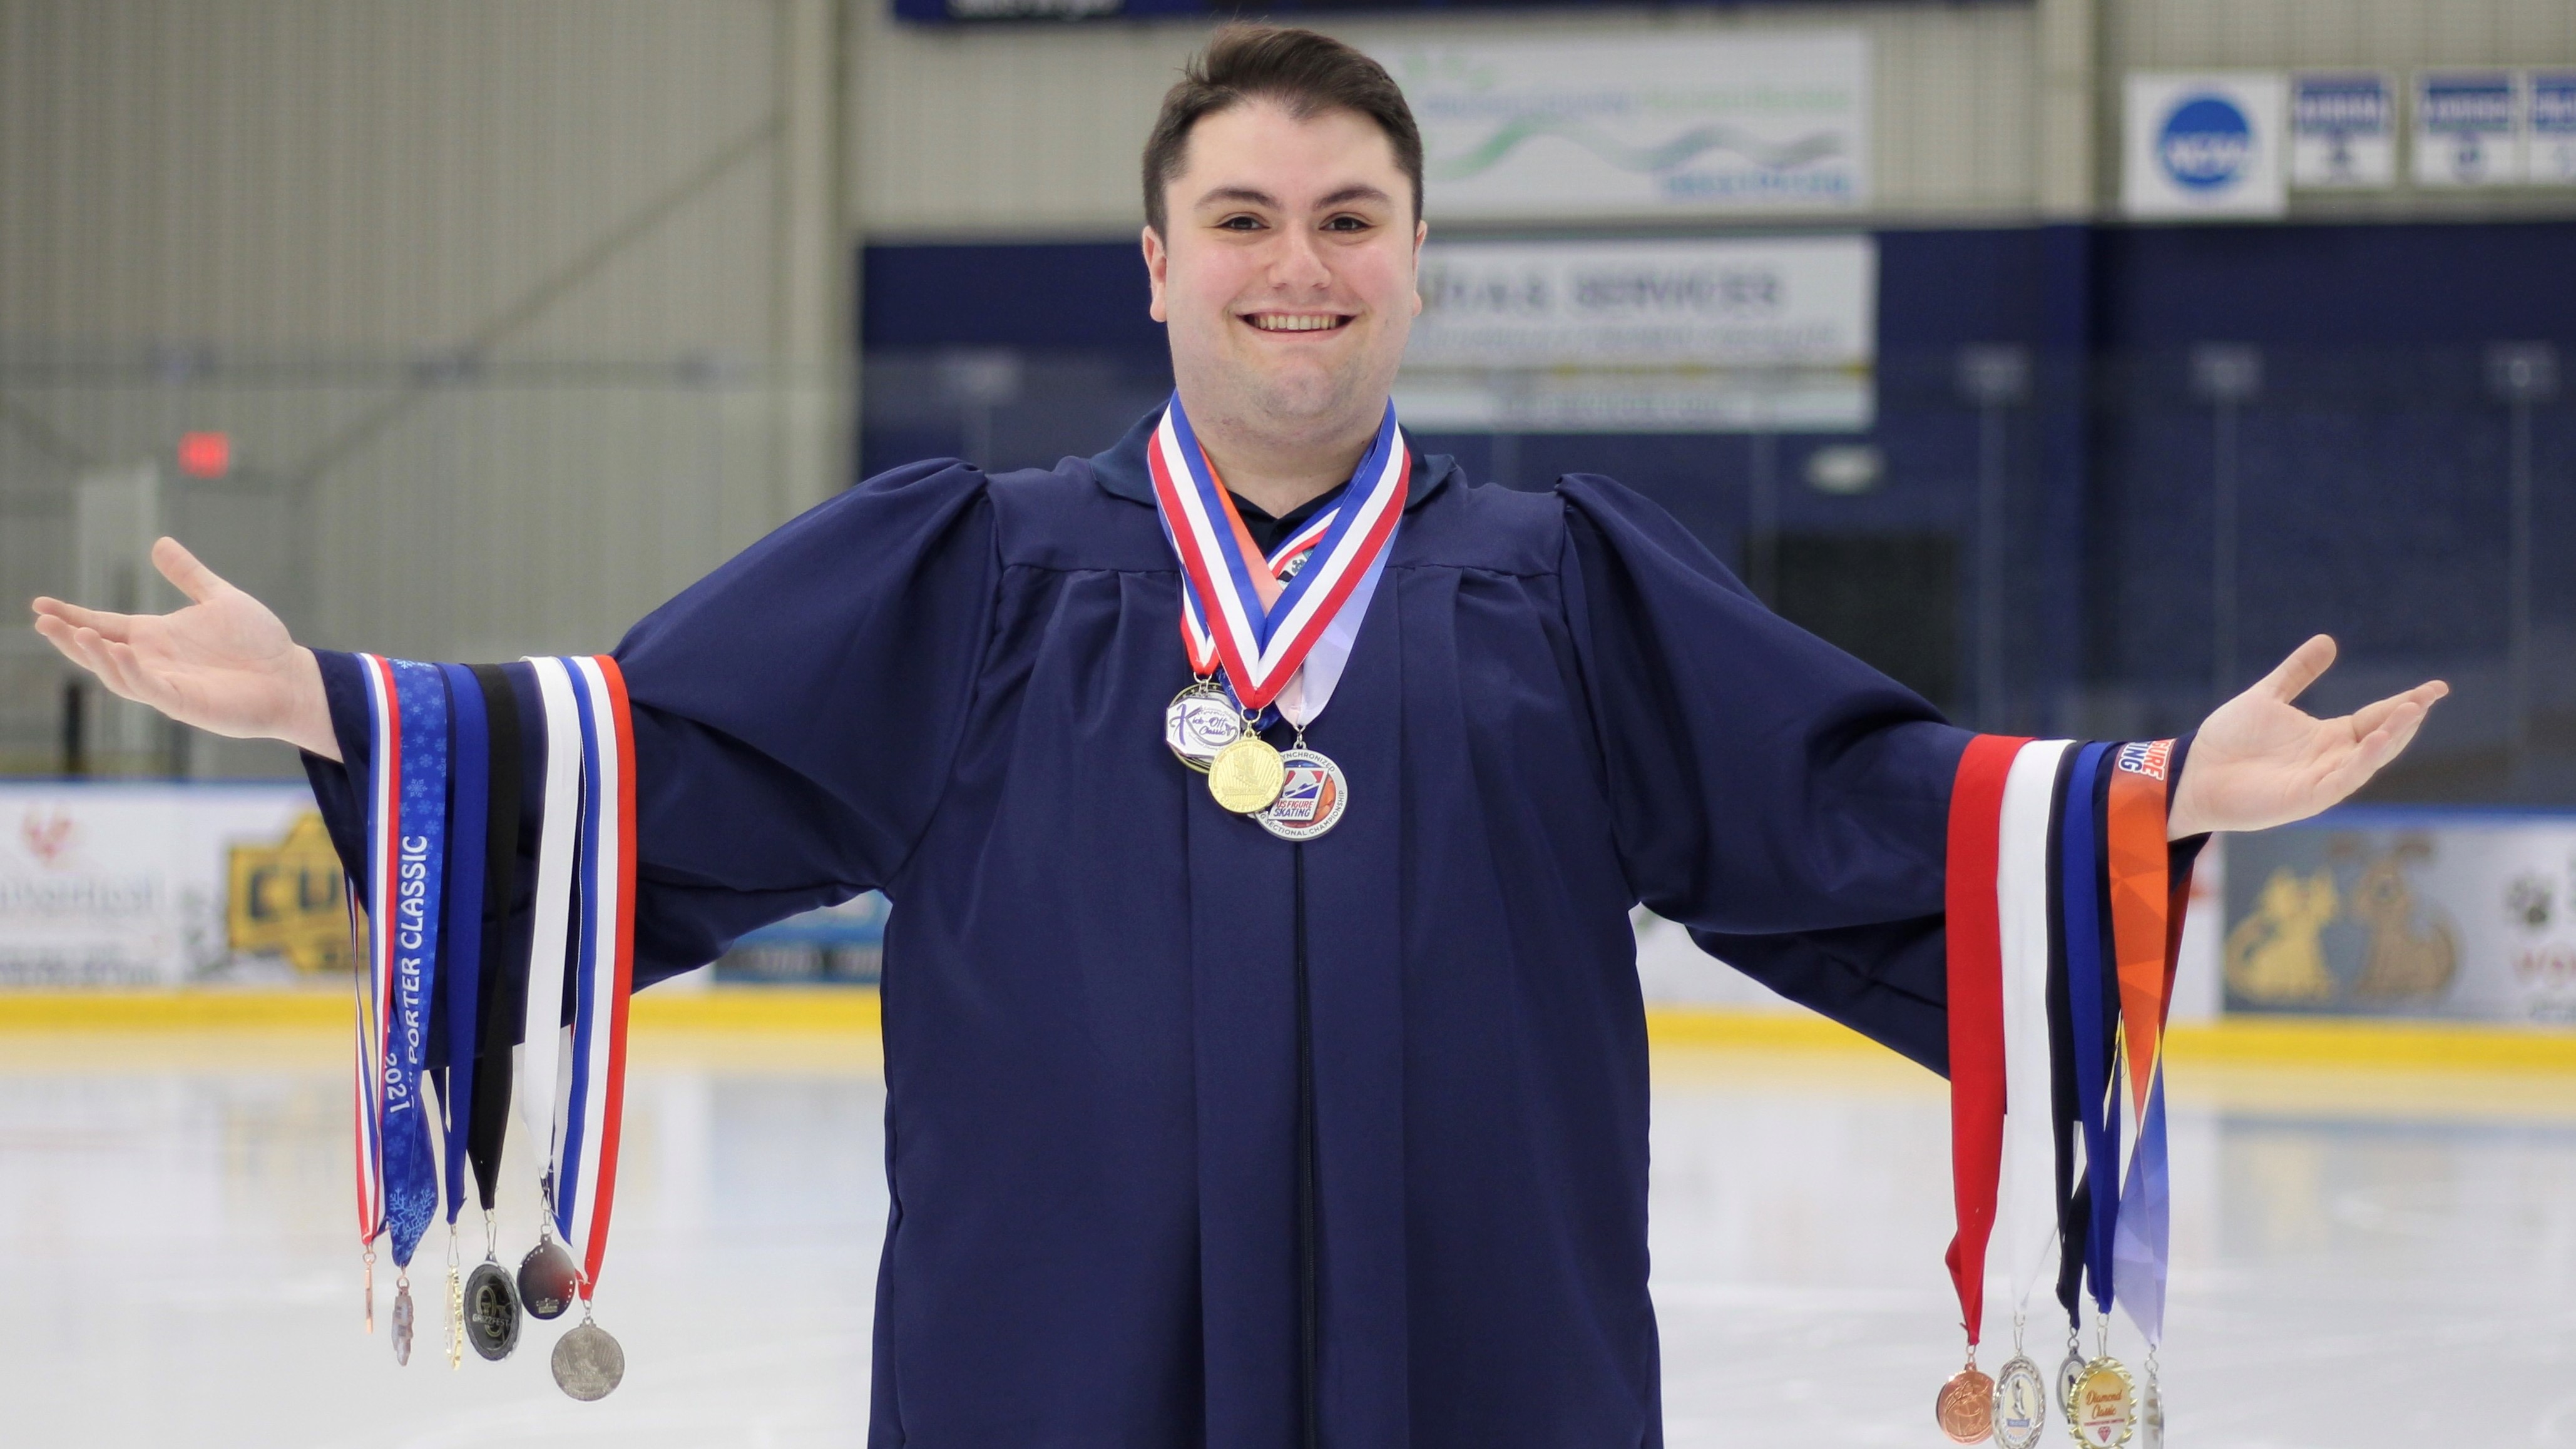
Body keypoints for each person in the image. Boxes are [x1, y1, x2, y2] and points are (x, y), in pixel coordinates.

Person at [29, 25, 2443, 1449]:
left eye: (1354, 217)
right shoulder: (971, 573)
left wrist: (2152, 798)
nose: (1302, 263)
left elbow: (1846, 798)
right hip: (1051, 1376)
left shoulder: (1562, 584)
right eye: (1250, 216)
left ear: (1416, 257)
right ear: (1157, 260)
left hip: (1479, 1370)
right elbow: (652, 747)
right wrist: (336, 703)